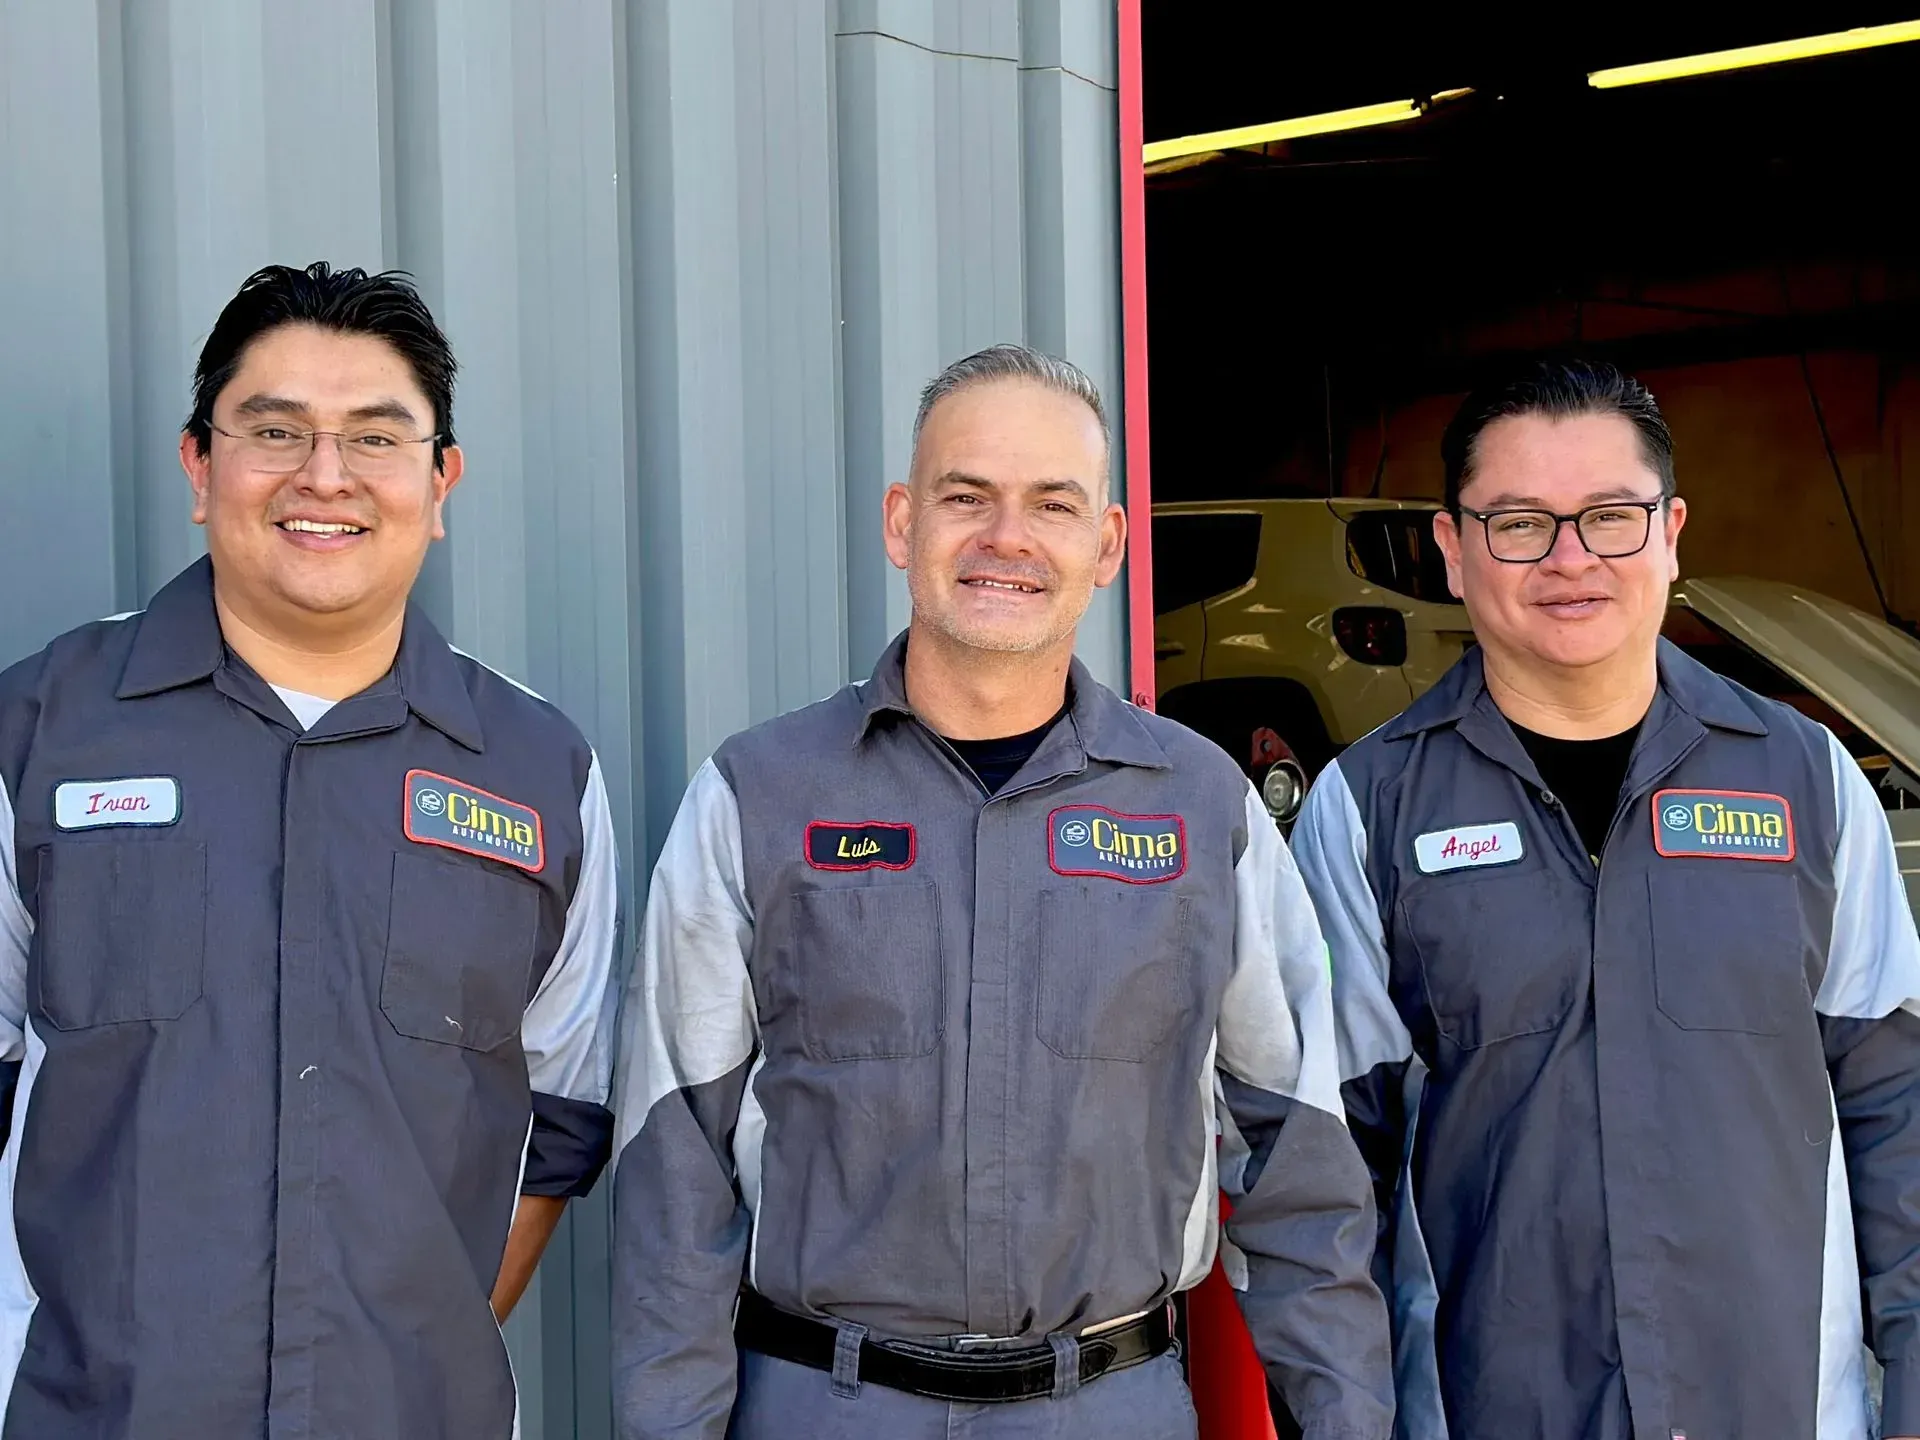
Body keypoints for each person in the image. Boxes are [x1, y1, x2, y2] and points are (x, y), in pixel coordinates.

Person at [610, 344, 1394, 1440]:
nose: (1006, 539)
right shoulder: (755, 798)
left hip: (1111, 1408)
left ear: (1108, 544)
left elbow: (1299, 1163)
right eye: (965, 496)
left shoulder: (1204, 811)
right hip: (820, 1407)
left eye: (1053, 505)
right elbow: (672, 1173)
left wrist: (1345, 1421)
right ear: (901, 524)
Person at [0, 262, 619, 1439]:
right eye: (275, 429)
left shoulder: (541, 774)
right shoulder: (34, 733)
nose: (324, 476)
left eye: (377, 439)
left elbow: (555, 1126)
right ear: (200, 464)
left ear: (441, 482)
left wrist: (391, 1359)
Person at [1291, 358, 1920, 1440]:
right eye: (1521, 522)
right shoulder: (1365, 812)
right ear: (1452, 549)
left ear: (1670, 531)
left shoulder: (1809, 784)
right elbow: (1320, 1178)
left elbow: (1897, 1116)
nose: (1572, 557)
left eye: (1611, 517)